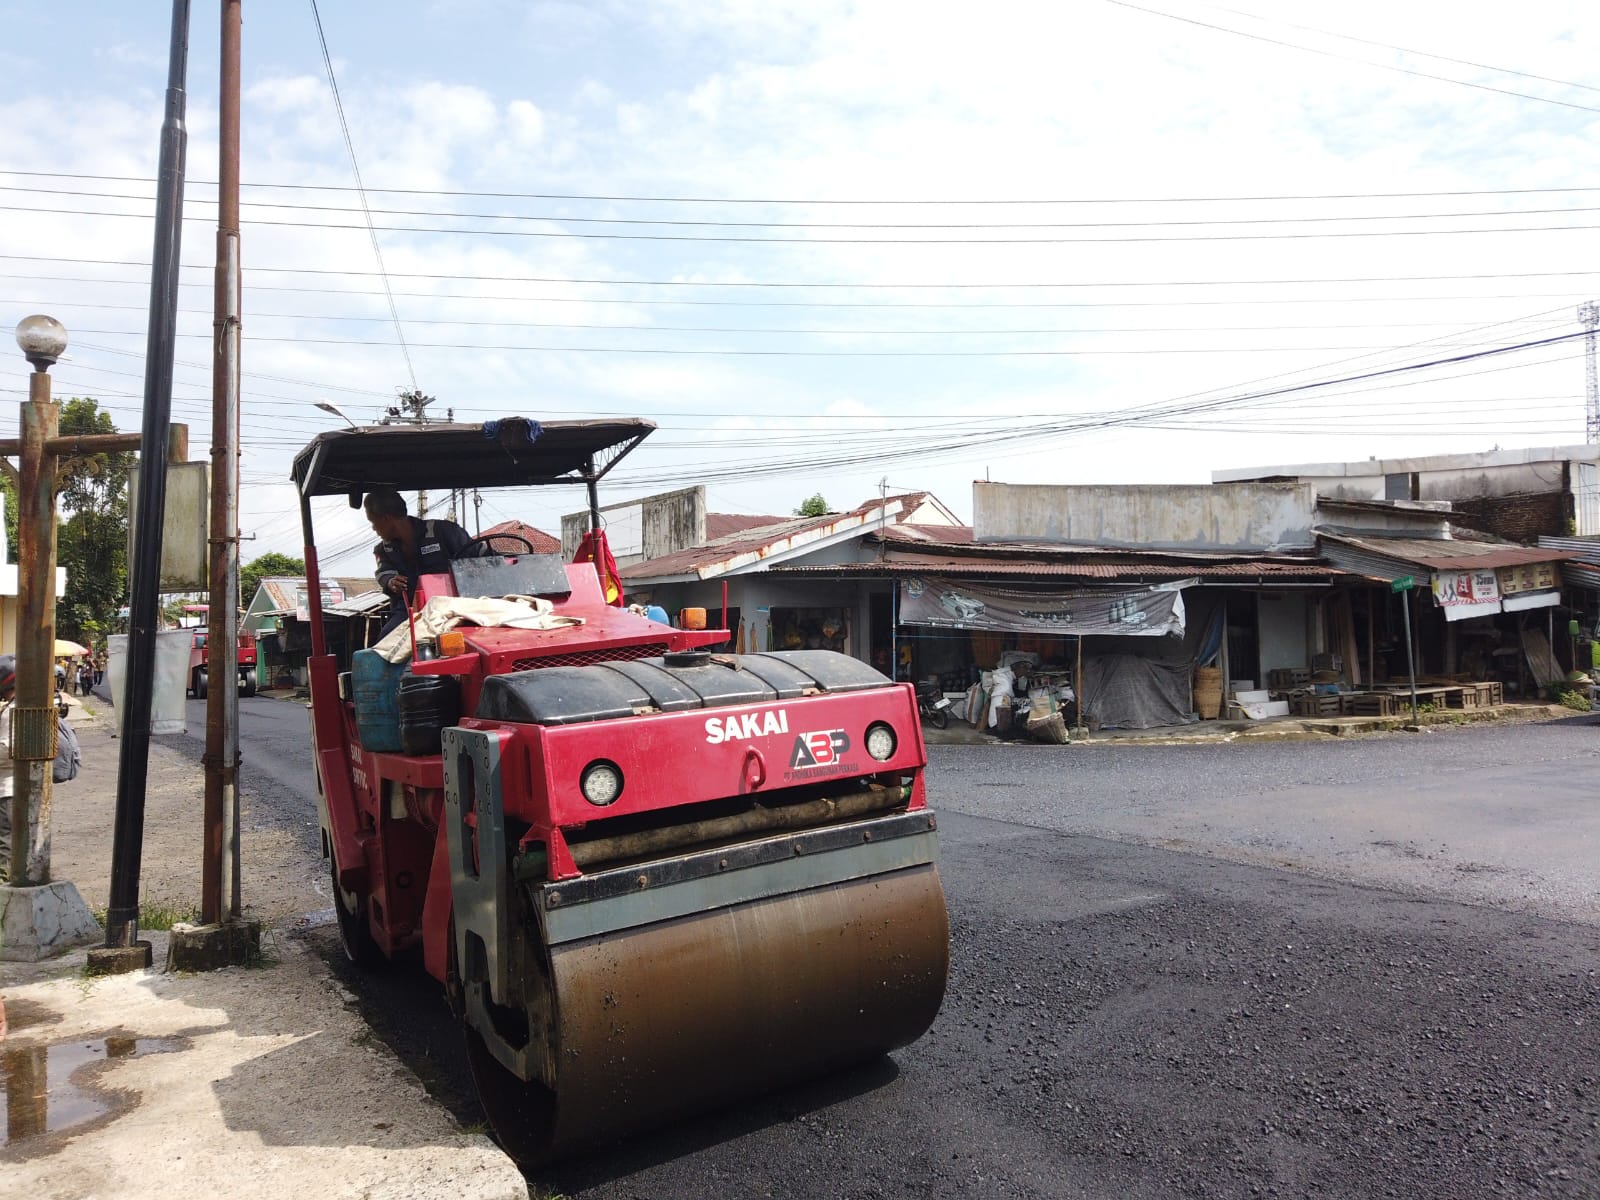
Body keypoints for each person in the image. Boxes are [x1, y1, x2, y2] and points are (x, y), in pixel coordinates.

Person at [364, 489, 491, 636]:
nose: (373, 528)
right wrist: (391, 582)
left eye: (373, 522)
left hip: (456, 606)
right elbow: (384, 573)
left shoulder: (444, 532)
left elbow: (483, 557)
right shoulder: (383, 550)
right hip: (410, 611)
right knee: (386, 640)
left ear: (386, 519)